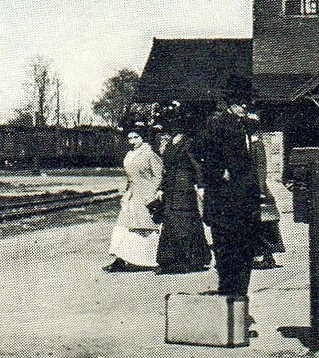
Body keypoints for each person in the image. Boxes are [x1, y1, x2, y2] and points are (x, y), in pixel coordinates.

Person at [197, 75, 262, 299]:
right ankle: (229, 313)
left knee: (244, 260)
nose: (244, 106)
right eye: (240, 102)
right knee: (228, 261)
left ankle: (239, 312)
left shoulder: (246, 126)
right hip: (225, 205)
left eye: (247, 102)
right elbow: (204, 155)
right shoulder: (216, 124)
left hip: (245, 205)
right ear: (230, 102)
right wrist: (219, 172)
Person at [154, 109, 211, 275]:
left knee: (184, 224)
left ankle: (189, 260)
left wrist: (200, 186)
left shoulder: (189, 143)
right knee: (171, 223)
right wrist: (161, 187)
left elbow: (198, 166)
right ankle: (172, 260)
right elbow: (167, 169)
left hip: (184, 188)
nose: (171, 128)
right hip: (171, 188)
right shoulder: (170, 144)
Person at [106, 129, 163, 272]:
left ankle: (152, 259)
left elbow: (159, 176)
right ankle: (121, 259)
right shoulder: (129, 154)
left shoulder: (150, 154)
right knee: (123, 226)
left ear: (143, 137)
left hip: (146, 194)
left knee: (145, 227)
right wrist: (126, 193)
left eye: (136, 137)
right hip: (132, 194)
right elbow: (129, 177)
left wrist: (153, 194)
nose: (132, 141)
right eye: (130, 138)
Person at [249, 118, 284, 268]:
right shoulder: (250, 144)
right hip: (252, 189)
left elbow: (261, 168)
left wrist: (260, 189)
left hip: (258, 190)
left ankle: (266, 256)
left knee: (264, 225)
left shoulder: (256, 145)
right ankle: (261, 255)